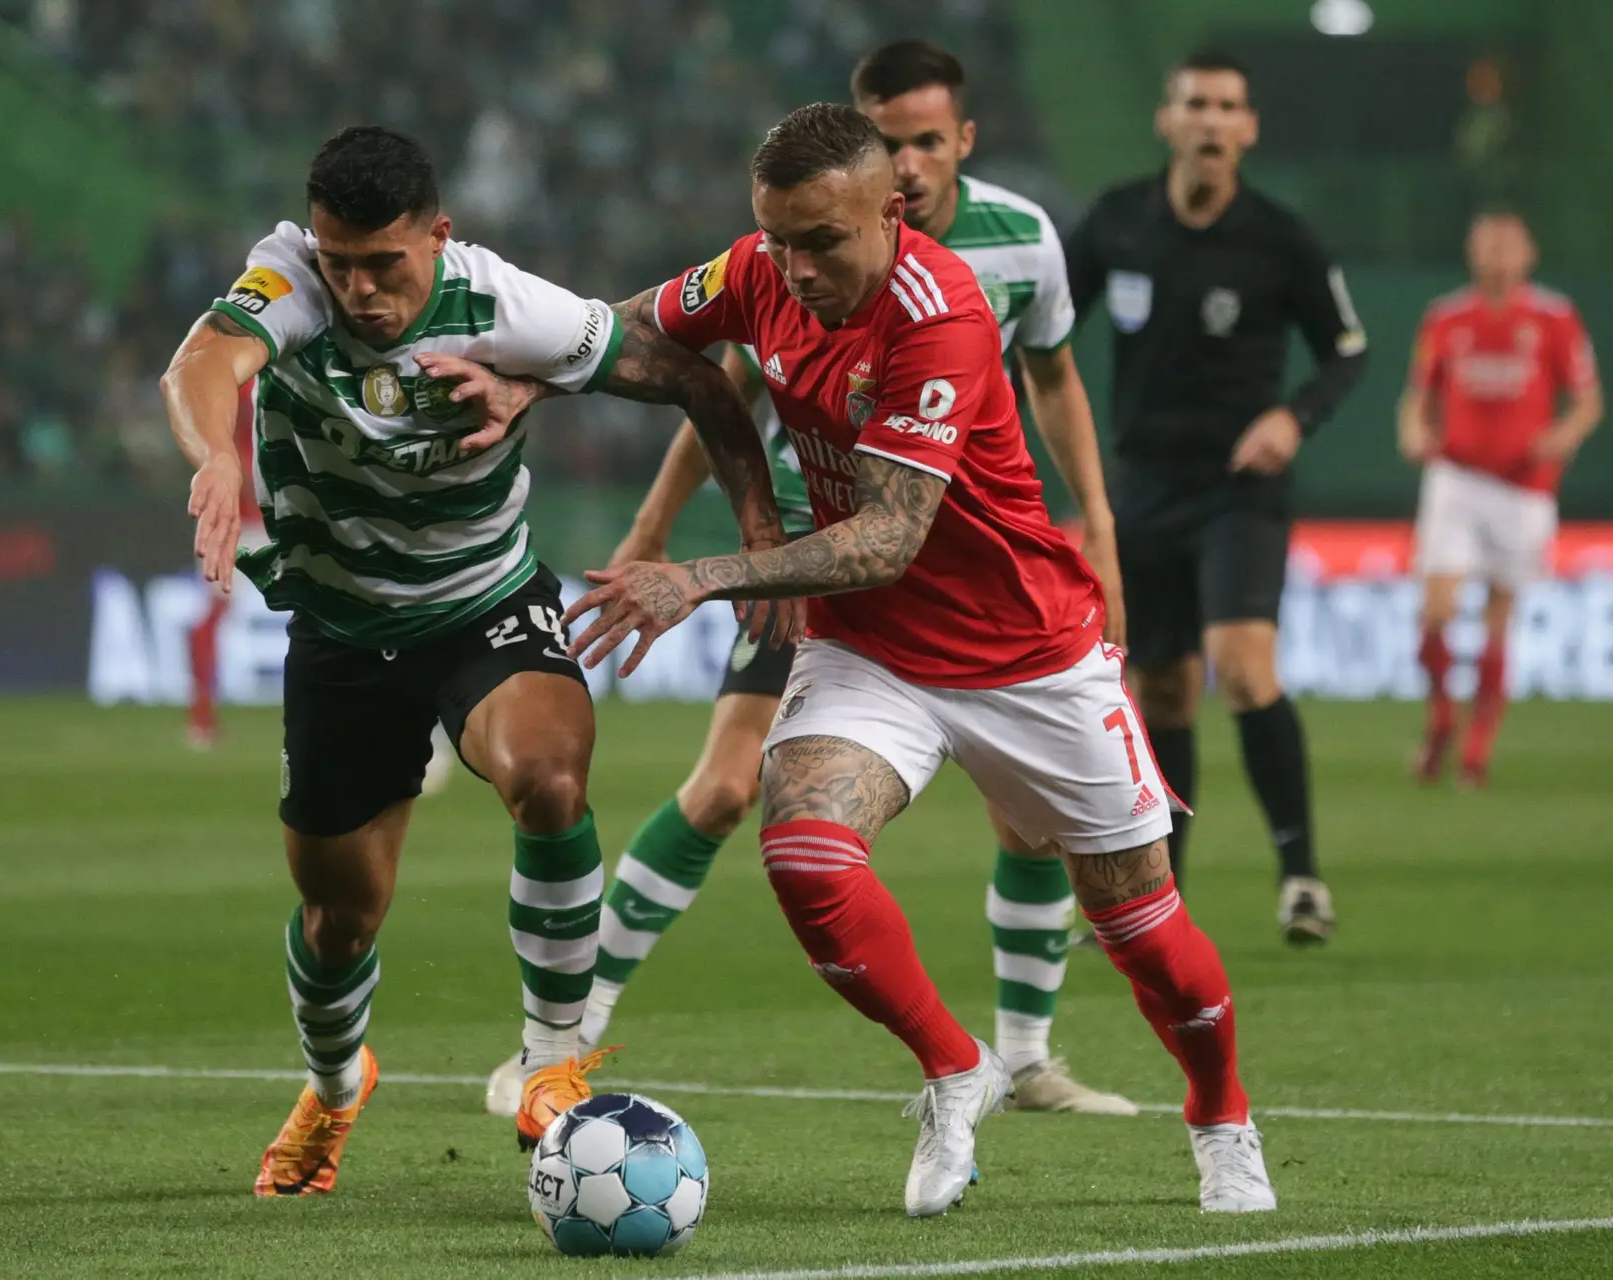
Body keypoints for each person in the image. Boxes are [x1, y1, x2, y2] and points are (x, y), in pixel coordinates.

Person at [444, 104, 1274, 1219]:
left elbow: (891, 533)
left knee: (1146, 933)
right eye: (776, 238)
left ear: (890, 210)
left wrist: (698, 576)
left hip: (1028, 652)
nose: (795, 268)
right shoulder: (760, 272)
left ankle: (1222, 1117)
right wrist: (528, 381)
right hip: (872, 650)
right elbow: (627, 326)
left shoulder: (942, 316)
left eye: (822, 241)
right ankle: (953, 1064)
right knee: (804, 855)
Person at [484, 40, 1134, 1121]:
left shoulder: (1020, 246)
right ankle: (571, 1023)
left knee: (1029, 820)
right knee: (727, 784)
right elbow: (712, 373)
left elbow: (1054, 381)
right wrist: (657, 529)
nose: (915, 161)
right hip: (801, 555)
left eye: (932, 139)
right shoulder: (799, 247)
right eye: (896, 137)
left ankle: (1025, 1057)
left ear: (962, 140)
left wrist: (1096, 523)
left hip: (961, 569)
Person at [159, 125, 792, 1196]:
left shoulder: (508, 306)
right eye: (340, 261)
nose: (359, 288)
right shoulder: (291, 280)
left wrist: (760, 540)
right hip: (342, 628)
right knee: (339, 911)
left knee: (548, 778)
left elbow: (702, 384)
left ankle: (552, 1064)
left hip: (482, 606)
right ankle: (334, 1079)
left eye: (385, 264)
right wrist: (218, 448)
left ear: (439, 238)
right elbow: (203, 360)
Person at [1065, 50, 1367, 945]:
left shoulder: (1281, 237)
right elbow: (1046, 330)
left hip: (1243, 492)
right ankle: (1162, 902)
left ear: (1247, 129)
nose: (1209, 120)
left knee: (1241, 665)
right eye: (1194, 103)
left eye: (1226, 106)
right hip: (1141, 492)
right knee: (1159, 692)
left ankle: (1301, 875)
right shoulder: (1118, 223)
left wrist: (1295, 416)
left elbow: (1346, 348)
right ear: (1168, 120)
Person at [1399, 210, 1601, 786]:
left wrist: (1562, 436)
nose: (1498, 254)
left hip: (1524, 488)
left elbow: (1587, 401)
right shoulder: (1446, 316)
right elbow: (1417, 395)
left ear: (1529, 254)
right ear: (1471, 253)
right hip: (1457, 478)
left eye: (1509, 244)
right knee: (1435, 610)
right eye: (1488, 243)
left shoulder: (1554, 317)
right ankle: (1441, 715)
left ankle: (1476, 749)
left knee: (1498, 616)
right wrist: (1413, 431)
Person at [183, 380, 459, 785]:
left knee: (363, 616)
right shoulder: (250, 371)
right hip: (253, 515)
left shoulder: (295, 364)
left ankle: (409, 727)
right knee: (221, 611)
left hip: (298, 514)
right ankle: (202, 717)